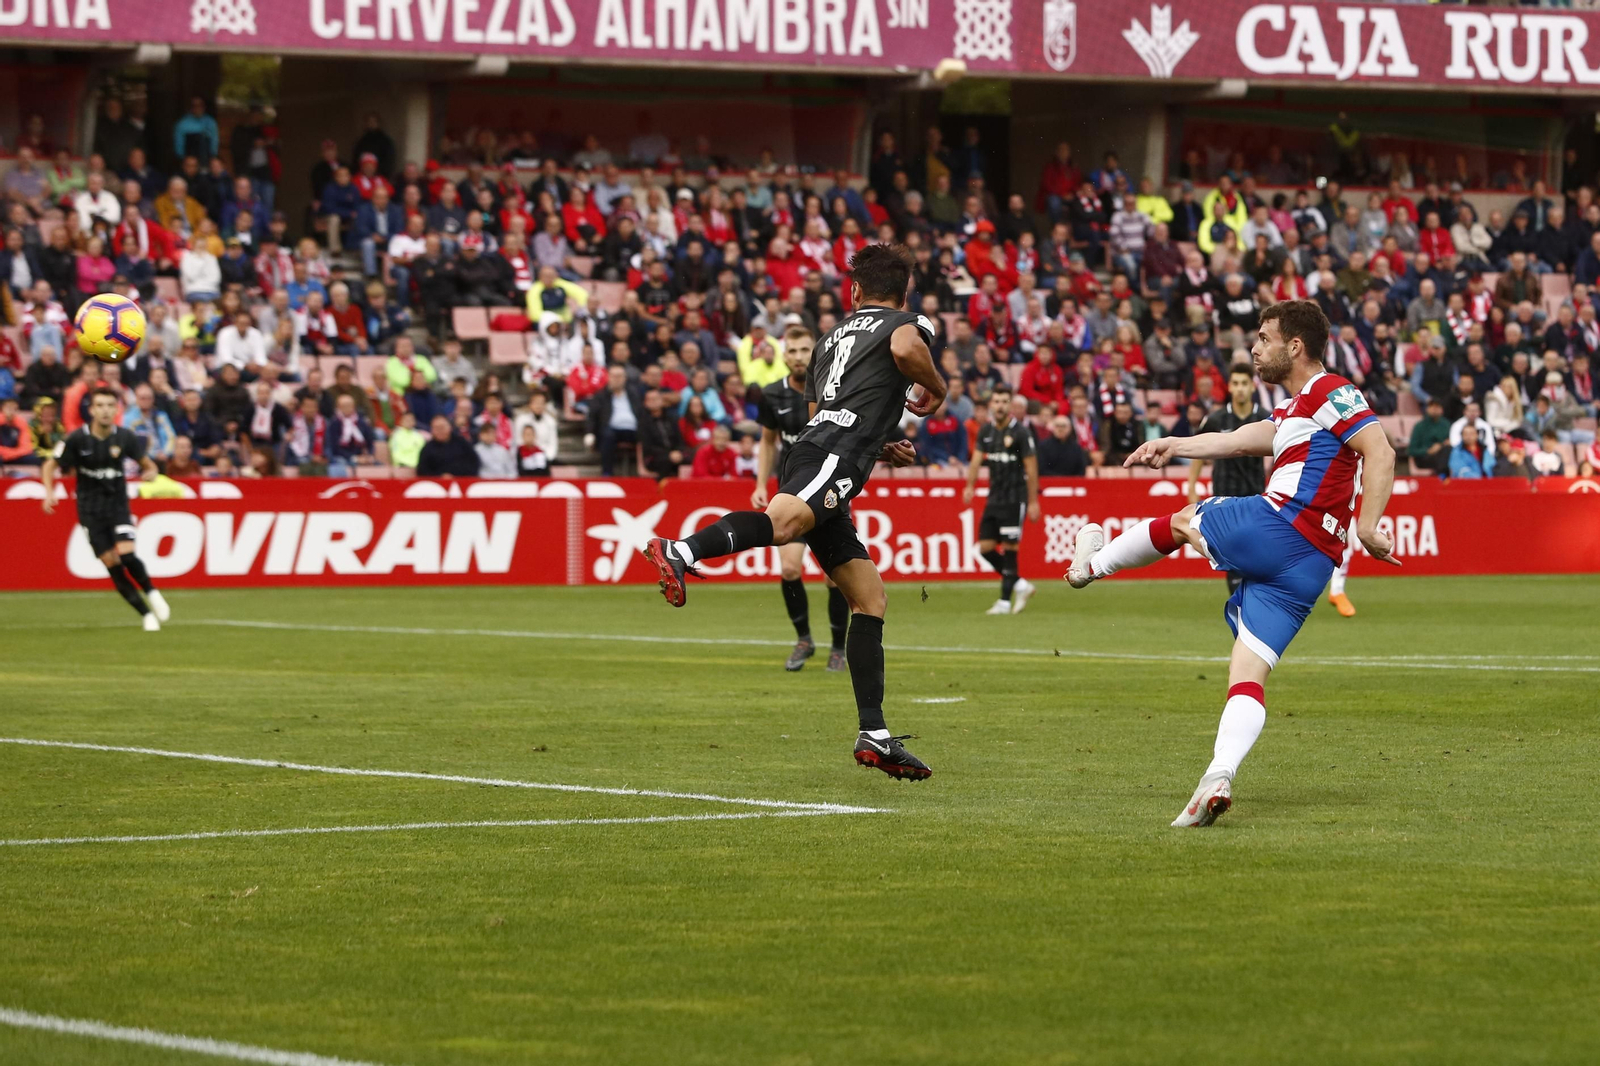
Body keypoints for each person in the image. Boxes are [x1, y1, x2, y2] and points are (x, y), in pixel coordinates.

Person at [1065, 300, 1399, 827]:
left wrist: (1368, 525)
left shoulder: (1328, 389)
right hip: (1308, 567)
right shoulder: (1296, 409)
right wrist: (1175, 444)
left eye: (1264, 338)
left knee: (1183, 519)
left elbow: (1381, 450)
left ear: (1295, 346)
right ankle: (1218, 777)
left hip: (1284, 526)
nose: (1254, 347)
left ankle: (1089, 566)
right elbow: (1238, 441)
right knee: (1247, 672)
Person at [642, 243, 946, 780]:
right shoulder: (906, 321)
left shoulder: (831, 338)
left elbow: (820, 413)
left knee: (869, 598)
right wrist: (937, 388)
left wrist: (880, 444)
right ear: (905, 292)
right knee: (784, 526)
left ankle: (873, 733)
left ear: (854, 291)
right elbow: (904, 349)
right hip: (835, 456)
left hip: (820, 449)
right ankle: (681, 550)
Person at [752, 325, 849, 673]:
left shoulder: (831, 391)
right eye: (791, 351)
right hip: (790, 492)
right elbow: (767, 440)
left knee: (834, 577)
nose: (797, 357)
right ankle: (804, 639)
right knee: (790, 568)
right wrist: (761, 482)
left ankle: (839, 647)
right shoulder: (771, 394)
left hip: (826, 491)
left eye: (804, 350)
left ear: (815, 353)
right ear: (783, 354)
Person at [39, 388, 173, 631]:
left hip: (117, 505)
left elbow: (148, 465)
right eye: (100, 405)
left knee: (127, 554)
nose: (105, 410)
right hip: (90, 510)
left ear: (116, 410)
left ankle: (152, 592)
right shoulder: (76, 439)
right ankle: (145, 614)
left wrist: (150, 473)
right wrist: (49, 492)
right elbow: (50, 465)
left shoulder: (125, 437)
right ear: (91, 410)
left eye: (110, 405)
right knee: (111, 562)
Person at [1186, 363, 1268, 597]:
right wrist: (1192, 486)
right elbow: (1198, 450)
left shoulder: (1264, 419)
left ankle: (1250, 599)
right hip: (1224, 496)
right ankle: (1240, 600)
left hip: (1255, 497)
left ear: (1252, 386)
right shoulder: (1216, 419)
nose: (1240, 388)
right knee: (1232, 551)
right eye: (1236, 383)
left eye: (1244, 383)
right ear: (1229, 387)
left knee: (1254, 552)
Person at [962, 386, 1040, 616]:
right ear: (991, 405)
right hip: (994, 498)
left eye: (1005, 401)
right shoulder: (986, 431)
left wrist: (1033, 501)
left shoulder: (1021, 433)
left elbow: (1032, 467)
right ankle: (1020, 585)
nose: (1000, 405)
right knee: (985, 548)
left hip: (1015, 498)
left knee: (1009, 549)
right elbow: (976, 461)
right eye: (996, 401)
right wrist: (969, 486)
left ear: (1010, 406)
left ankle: (1005, 601)